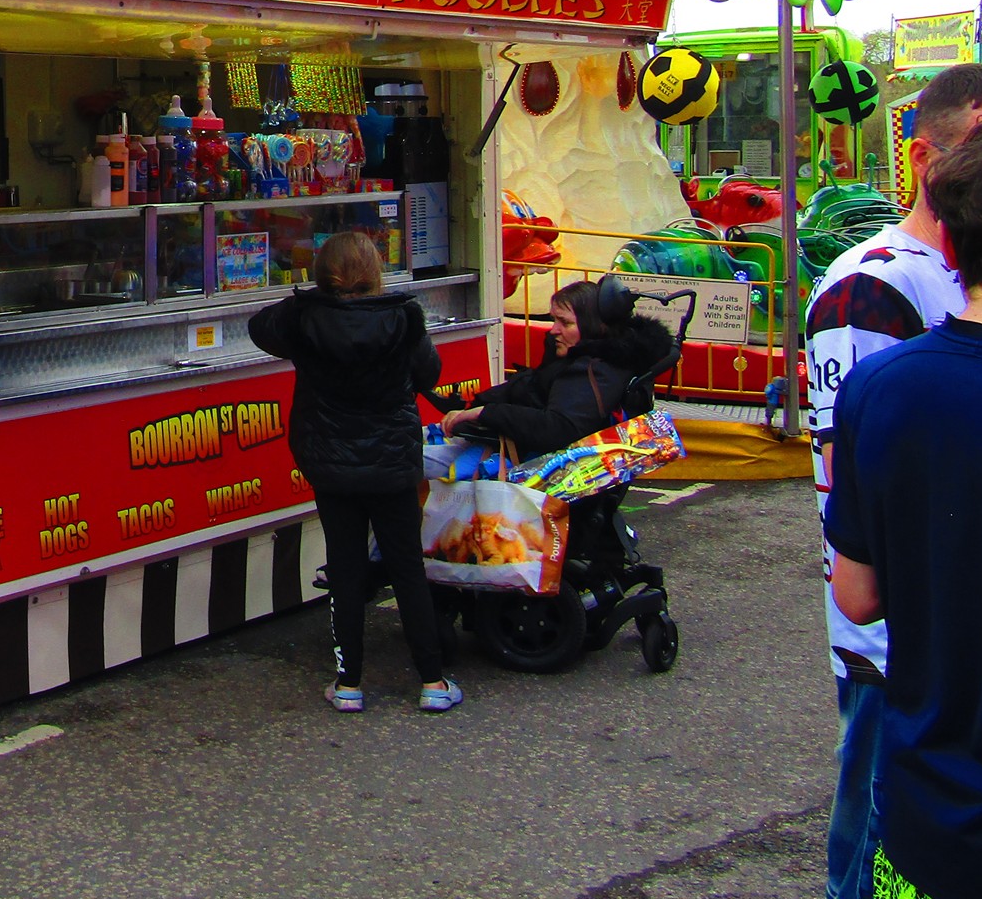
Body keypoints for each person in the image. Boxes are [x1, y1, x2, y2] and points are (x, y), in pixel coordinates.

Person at [802, 62, 982, 899]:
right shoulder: (871, 286)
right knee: (868, 845)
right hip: (903, 653)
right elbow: (855, 485)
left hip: (953, 656)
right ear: (927, 164)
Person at [247, 230, 461, 714]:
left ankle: (348, 684)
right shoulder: (403, 317)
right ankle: (431, 681)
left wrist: (307, 299)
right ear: (375, 274)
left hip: (330, 463)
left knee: (345, 568)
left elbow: (261, 328)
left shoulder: (305, 320)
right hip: (392, 463)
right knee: (407, 568)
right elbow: (430, 375)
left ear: (324, 276)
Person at [438, 279, 673, 460]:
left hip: (531, 463)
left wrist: (485, 413)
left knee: (423, 461)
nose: (553, 330)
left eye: (565, 323)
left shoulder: (592, 369)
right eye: (554, 320)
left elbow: (559, 428)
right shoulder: (589, 359)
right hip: (519, 449)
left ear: (592, 325)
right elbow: (534, 386)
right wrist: (475, 404)